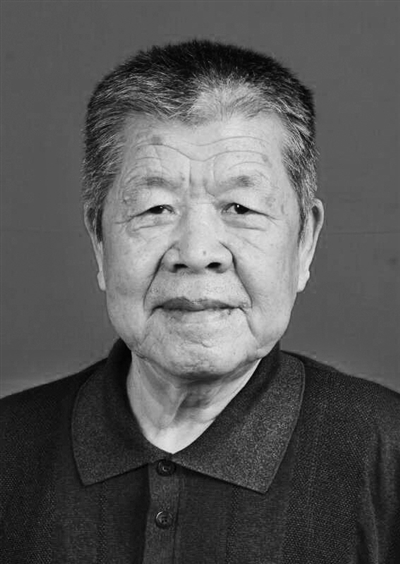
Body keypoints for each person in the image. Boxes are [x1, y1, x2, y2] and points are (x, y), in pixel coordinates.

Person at [0, 39, 399, 564]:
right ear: (99, 240)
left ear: (305, 242)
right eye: (155, 208)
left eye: (241, 207)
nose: (197, 252)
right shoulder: (10, 451)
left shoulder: (387, 454)